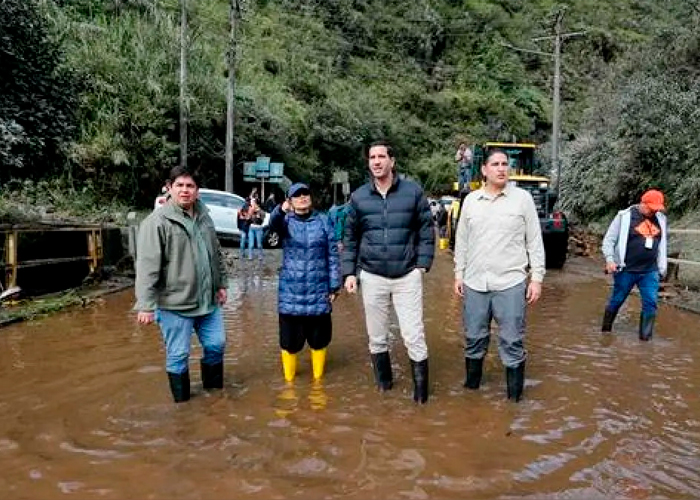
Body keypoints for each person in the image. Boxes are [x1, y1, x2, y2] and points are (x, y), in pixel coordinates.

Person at [343, 140, 435, 404]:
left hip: (407, 275)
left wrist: (422, 265)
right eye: (372, 157)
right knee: (376, 338)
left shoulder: (413, 192)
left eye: (382, 156)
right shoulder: (359, 197)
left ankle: (421, 398)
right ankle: (385, 390)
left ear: (392, 161)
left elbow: (426, 230)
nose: (377, 161)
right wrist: (349, 273)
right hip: (372, 276)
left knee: (414, 335)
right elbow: (350, 237)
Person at [453, 149, 545, 402]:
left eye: (505, 164)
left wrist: (536, 278)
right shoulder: (471, 200)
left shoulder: (522, 199)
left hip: (511, 282)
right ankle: (471, 394)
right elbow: (462, 241)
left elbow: (534, 241)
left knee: (512, 341)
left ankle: (514, 401)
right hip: (474, 283)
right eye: (495, 164)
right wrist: (458, 274)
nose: (501, 168)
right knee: (473, 339)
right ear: (484, 170)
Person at [135, 166, 228, 403]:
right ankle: (182, 406)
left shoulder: (205, 216)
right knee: (178, 355)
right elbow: (147, 266)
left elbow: (215, 253)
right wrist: (145, 305)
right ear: (169, 188)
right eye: (180, 185)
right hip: (175, 303)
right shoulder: (157, 222)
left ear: (197, 191)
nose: (185, 190)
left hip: (208, 299)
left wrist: (221, 284)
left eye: (190, 186)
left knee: (216, 344)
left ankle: (215, 397)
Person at [269, 183, 341, 383]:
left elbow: (333, 255)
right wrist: (279, 210)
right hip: (291, 292)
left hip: (319, 291)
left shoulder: (324, 221)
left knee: (319, 341)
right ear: (290, 201)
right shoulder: (285, 221)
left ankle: (318, 382)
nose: (302, 197)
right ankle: (289, 384)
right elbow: (272, 227)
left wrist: (334, 286)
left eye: (305, 194)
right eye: (297, 195)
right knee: (289, 342)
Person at [601, 189, 667, 340]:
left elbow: (662, 245)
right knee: (617, 300)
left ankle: (645, 339)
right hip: (626, 269)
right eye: (651, 208)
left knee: (651, 302)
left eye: (656, 209)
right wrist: (610, 260)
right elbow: (609, 240)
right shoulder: (624, 216)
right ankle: (605, 331)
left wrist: (661, 268)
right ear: (643, 203)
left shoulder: (661, 219)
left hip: (650, 270)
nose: (653, 212)